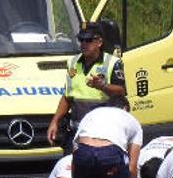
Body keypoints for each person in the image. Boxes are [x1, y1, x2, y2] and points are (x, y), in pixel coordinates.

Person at [46, 21, 127, 154]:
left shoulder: (112, 63)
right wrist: (55, 121)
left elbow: (121, 91)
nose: (83, 44)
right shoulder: (73, 63)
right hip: (76, 133)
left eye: (88, 40)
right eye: (81, 39)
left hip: (102, 134)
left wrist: (102, 86)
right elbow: (67, 96)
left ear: (99, 42)